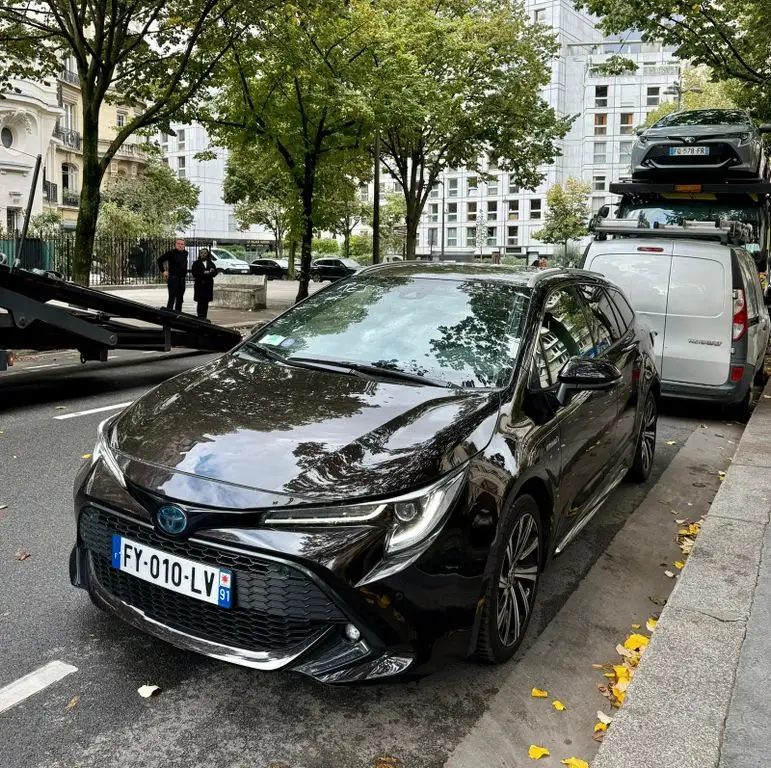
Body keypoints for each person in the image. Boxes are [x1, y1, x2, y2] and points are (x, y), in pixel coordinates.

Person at [157, 239, 189, 312]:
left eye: (182, 244)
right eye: (178, 244)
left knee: (180, 299)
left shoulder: (186, 253)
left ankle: (178, 316)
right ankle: (168, 316)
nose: (180, 245)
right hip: (173, 279)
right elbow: (159, 260)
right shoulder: (171, 253)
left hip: (182, 279)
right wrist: (163, 271)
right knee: (172, 299)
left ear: (184, 245)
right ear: (176, 244)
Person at [191, 248, 217, 320]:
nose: (203, 254)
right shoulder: (196, 263)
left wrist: (212, 271)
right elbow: (194, 273)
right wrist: (203, 272)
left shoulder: (211, 263)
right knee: (200, 302)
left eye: (205, 253)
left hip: (208, 285)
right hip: (199, 285)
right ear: (199, 254)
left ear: (207, 254)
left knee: (206, 302)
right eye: (201, 253)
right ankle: (199, 317)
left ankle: (204, 318)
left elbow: (215, 273)